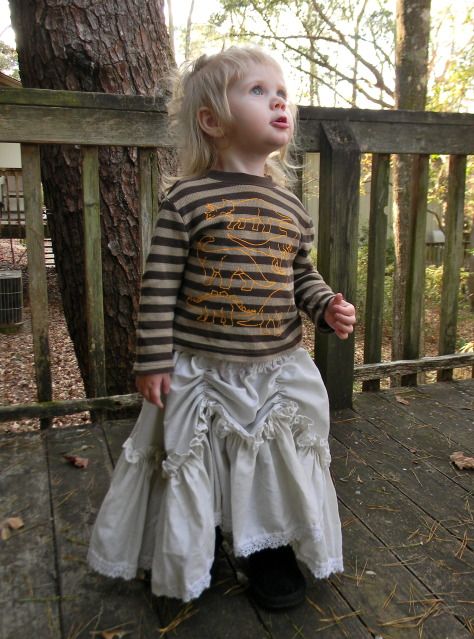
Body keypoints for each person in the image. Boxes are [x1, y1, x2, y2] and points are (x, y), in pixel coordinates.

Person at [87, 46, 356, 610]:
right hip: (201, 371)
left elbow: (298, 274)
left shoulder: (290, 207)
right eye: (258, 91)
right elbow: (159, 284)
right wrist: (153, 359)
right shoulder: (188, 200)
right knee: (198, 457)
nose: (279, 101)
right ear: (212, 120)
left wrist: (324, 305)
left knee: (272, 461)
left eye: (282, 93)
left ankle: (269, 547)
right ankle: (197, 543)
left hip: (274, 370)